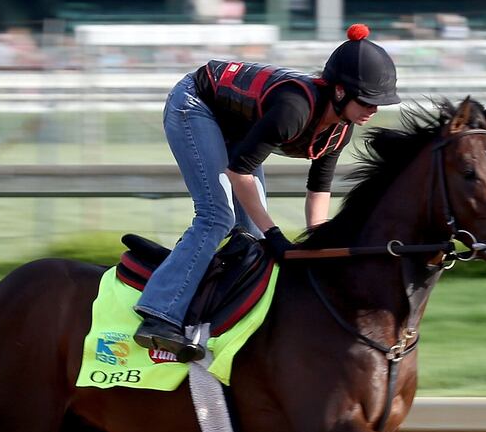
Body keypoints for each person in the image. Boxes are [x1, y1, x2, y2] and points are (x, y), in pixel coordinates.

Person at [134, 24, 401, 362]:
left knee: (253, 236)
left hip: (236, 125)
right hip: (195, 103)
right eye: (368, 100)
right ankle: (160, 314)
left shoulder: (340, 132)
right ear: (338, 92)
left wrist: (316, 244)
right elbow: (238, 172)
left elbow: (318, 190)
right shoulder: (294, 110)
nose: (373, 110)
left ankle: (218, 316)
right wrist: (277, 234)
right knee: (218, 215)